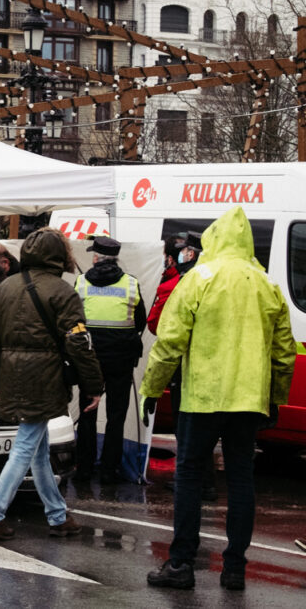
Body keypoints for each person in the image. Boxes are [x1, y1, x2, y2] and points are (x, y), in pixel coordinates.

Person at [141, 207, 295, 591]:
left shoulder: (196, 280)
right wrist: (273, 399)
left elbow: (170, 342)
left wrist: (151, 388)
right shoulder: (266, 284)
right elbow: (284, 353)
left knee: (190, 477)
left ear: (212, 240)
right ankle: (235, 569)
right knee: (242, 479)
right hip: (248, 402)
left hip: (202, 398)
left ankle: (180, 564)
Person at [0, 227, 103, 542]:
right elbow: (79, 344)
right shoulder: (63, 292)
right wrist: (94, 385)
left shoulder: (4, 289)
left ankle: (57, 515)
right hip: (45, 378)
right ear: (60, 256)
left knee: (37, 447)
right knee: (25, 446)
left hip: (12, 375)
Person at [148, 233, 217, 500]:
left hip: (184, 366)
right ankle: (207, 484)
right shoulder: (216, 283)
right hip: (210, 367)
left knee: (186, 427)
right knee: (206, 429)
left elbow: (159, 327)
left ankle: (193, 484)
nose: (182, 255)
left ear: (193, 253)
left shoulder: (180, 284)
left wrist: (152, 388)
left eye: (185, 250)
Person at [73, 236, 146, 484]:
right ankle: (109, 470)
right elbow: (140, 322)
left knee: (87, 412)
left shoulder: (81, 283)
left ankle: (83, 468)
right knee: (116, 415)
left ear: (96, 258)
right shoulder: (131, 284)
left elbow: (73, 320)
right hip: (121, 360)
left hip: (89, 359)